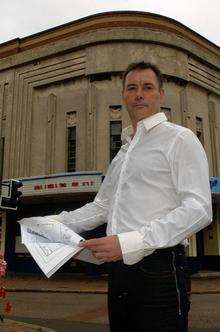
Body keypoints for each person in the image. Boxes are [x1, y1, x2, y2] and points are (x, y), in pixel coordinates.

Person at [49, 62, 212, 331]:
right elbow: (101, 206)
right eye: (132, 88)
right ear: (124, 96)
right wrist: (53, 223)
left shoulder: (179, 139)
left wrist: (130, 242)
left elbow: (199, 208)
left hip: (160, 268)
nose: (139, 94)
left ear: (161, 94)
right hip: (118, 271)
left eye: (147, 87)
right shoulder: (123, 153)